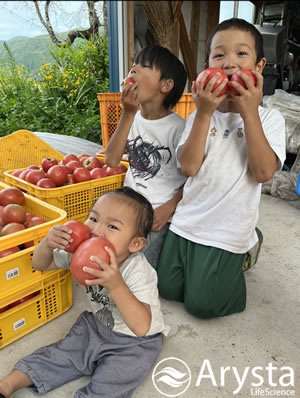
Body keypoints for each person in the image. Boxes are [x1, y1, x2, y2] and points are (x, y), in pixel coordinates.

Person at [157, 18, 286, 319]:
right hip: (188, 221)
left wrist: (249, 112)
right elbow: (189, 167)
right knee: (167, 289)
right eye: (219, 55)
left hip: (228, 228)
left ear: (259, 66)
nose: (229, 63)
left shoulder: (269, 119)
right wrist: (203, 112)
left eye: (241, 54)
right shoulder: (199, 116)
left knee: (203, 305)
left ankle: (246, 251)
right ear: (206, 67)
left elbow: (264, 173)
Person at [0, 187, 169, 398]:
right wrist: (47, 243)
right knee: (60, 354)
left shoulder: (138, 271)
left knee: (113, 381)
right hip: (96, 325)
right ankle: (7, 384)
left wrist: (116, 285)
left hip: (135, 342)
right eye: (93, 218)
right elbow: (41, 263)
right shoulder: (83, 252)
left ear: (135, 244)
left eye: (112, 226)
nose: (96, 230)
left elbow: (142, 326)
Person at [105, 45, 187, 269]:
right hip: (129, 209)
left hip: (158, 216)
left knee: (139, 269)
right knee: (105, 254)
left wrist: (170, 207)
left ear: (165, 85)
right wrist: (128, 113)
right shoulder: (132, 118)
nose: (133, 70)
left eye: (144, 67)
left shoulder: (179, 129)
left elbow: (194, 177)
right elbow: (111, 161)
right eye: (133, 66)